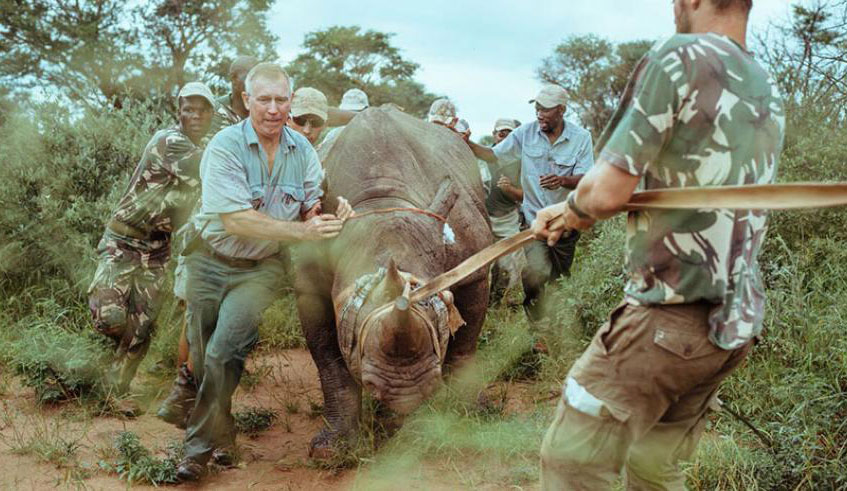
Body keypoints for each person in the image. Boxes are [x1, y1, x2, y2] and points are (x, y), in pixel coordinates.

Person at [531, 0, 784, 488]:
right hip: (732, 327)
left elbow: (604, 192)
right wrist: (567, 213)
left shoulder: (680, 56)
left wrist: (573, 211)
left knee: (572, 464)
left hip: (668, 320)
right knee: (654, 471)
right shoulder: (762, 82)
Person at [175, 62, 354, 482]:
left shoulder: (304, 152)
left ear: (289, 102)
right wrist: (303, 230)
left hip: (260, 269)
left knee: (223, 351)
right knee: (204, 360)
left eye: (281, 100)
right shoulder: (224, 146)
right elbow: (237, 221)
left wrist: (328, 215)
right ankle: (224, 434)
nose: (273, 109)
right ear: (246, 101)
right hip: (209, 258)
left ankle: (195, 453)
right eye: (264, 100)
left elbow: (311, 205)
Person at [87, 82, 215, 410]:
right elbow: (205, 166)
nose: (195, 115)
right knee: (111, 319)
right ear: (179, 112)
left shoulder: (208, 146)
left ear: (211, 114)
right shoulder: (169, 141)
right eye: (189, 109)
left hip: (157, 252)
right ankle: (98, 360)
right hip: (122, 242)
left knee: (141, 328)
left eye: (202, 110)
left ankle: (115, 391)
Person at [157, 56, 260, 427]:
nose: (246, 81)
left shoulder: (259, 114)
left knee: (220, 327)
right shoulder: (218, 122)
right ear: (231, 80)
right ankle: (186, 392)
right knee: (196, 318)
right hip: (204, 230)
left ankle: (193, 397)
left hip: (241, 236)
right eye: (240, 76)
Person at [466, 85, 594, 322]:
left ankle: (557, 324)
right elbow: (493, 155)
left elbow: (587, 179)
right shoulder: (524, 134)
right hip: (533, 220)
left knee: (558, 276)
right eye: (537, 108)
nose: (540, 114)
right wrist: (468, 143)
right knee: (536, 271)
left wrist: (563, 180)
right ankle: (538, 328)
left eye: (546, 109)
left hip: (566, 221)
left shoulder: (581, 138)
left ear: (561, 110)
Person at [485, 118, 525, 304]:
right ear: (494, 135)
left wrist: (510, 190)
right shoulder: (483, 158)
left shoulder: (523, 161)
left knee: (514, 265)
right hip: (482, 220)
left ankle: (511, 307)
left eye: (510, 135)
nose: (505, 138)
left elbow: (527, 196)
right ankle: (486, 306)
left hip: (508, 219)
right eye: (501, 134)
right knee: (483, 267)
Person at [428, 98, 492, 192]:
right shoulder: (423, 138)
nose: (439, 128)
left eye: (443, 124)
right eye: (436, 123)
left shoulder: (461, 133)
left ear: (454, 121)